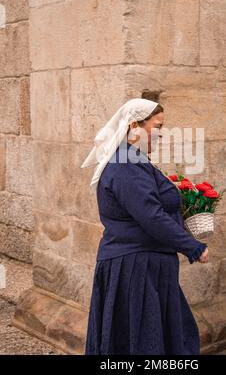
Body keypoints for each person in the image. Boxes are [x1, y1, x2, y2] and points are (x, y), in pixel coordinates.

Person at [81, 98, 209, 355]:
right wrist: (193, 247)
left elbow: (152, 204)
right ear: (134, 126)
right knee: (142, 342)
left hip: (145, 266)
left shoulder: (134, 160)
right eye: (158, 126)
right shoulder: (125, 164)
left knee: (160, 338)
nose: (162, 134)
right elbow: (151, 215)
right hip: (134, 269)